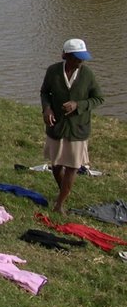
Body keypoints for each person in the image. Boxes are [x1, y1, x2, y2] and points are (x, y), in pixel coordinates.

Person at [39, 38, 104, 213]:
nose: (80, 61)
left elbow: (98, 98)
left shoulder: (87, 74)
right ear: (65, 56)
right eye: (76, 58)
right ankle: (63, 191)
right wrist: (47, 109)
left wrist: (78, 105)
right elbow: (45, 92)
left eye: (82, 58)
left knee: (73, 166)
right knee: (57, 164)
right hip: (57, 126)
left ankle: (59, 204)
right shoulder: (53, 71)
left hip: (77, 128)